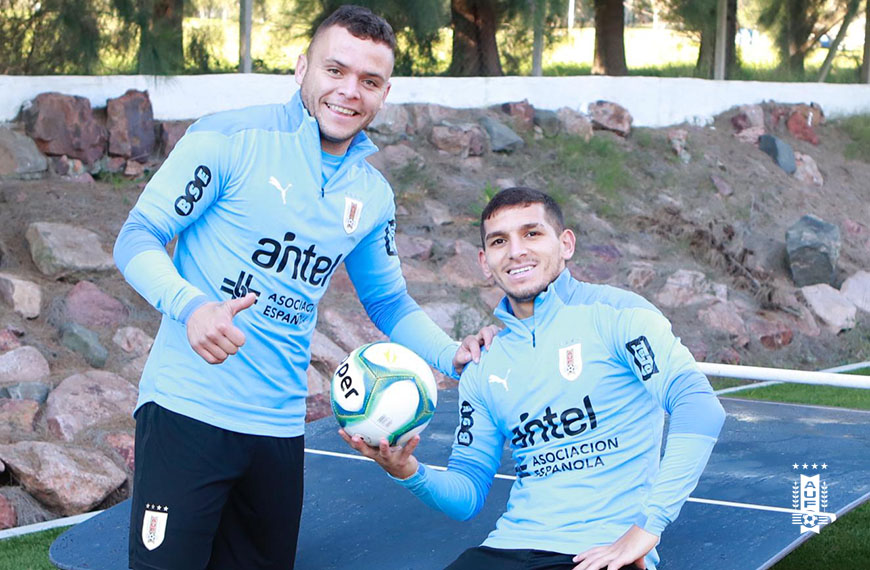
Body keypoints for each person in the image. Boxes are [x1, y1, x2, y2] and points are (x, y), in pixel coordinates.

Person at [113, 6, 490, 569]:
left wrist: (449, 354)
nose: (349, 91)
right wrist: (192, 307)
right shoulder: (228, 138)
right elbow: (137, 236)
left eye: (369, 81)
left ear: (385, 93)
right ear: (301, 68)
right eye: (335, 70)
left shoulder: (372, 194)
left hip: (279, 430)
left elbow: (387, 300)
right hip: (186, 413)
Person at [343, 187, 727, 570]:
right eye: (499, 241)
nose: (516, 251)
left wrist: (649, 526)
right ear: (484, 261)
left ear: (566, 244)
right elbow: (466, 495)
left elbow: (698, 406)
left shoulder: (618, 314)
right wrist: (407, 471)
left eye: (532, 233)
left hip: (598, 554)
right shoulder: (483, 363)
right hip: (505, 550)